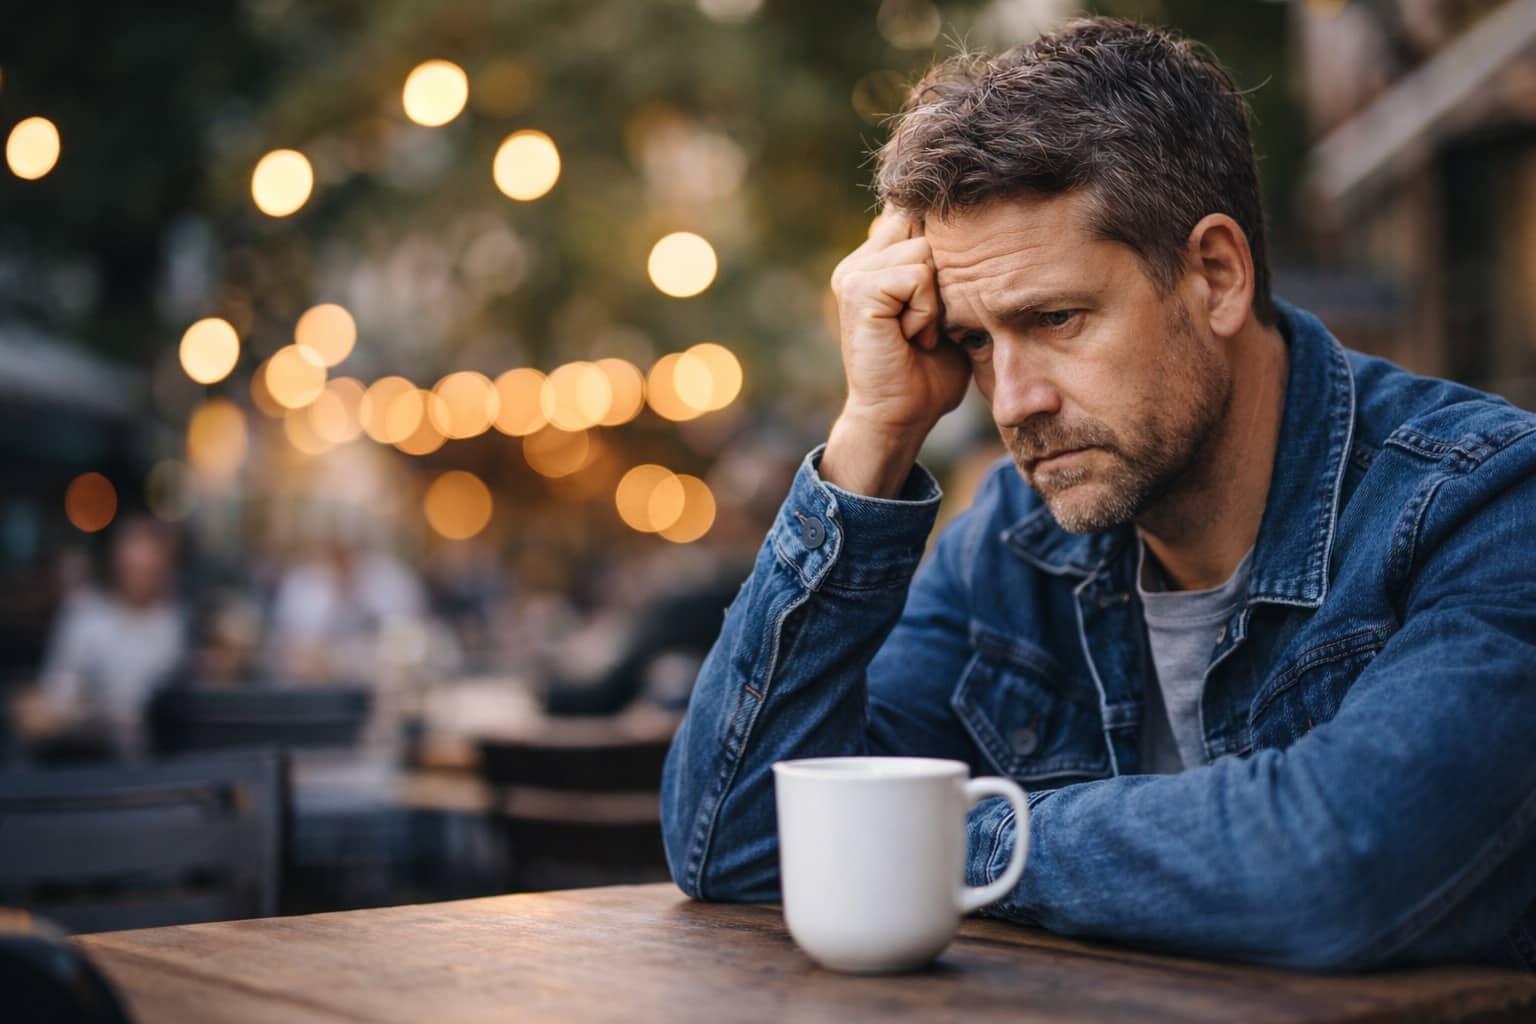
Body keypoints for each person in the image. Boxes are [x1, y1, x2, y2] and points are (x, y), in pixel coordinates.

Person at [660, 17, 1536, 972]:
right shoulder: (1013, 542)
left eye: (1056, 319)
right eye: (975, 341)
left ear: (1215, 275)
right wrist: (873, 433)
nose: (1013, 402)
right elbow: (737, 845)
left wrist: (937, 840)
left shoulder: (1488, 502)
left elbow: (1337, 866)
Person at [20, 517, 187, 759]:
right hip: (91, 758)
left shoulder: (180, 624)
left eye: (149, 568)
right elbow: (55, 695)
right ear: (116, 562)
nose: (140, 574)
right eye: (133, 567)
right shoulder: (85, 616)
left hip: (161, 761)